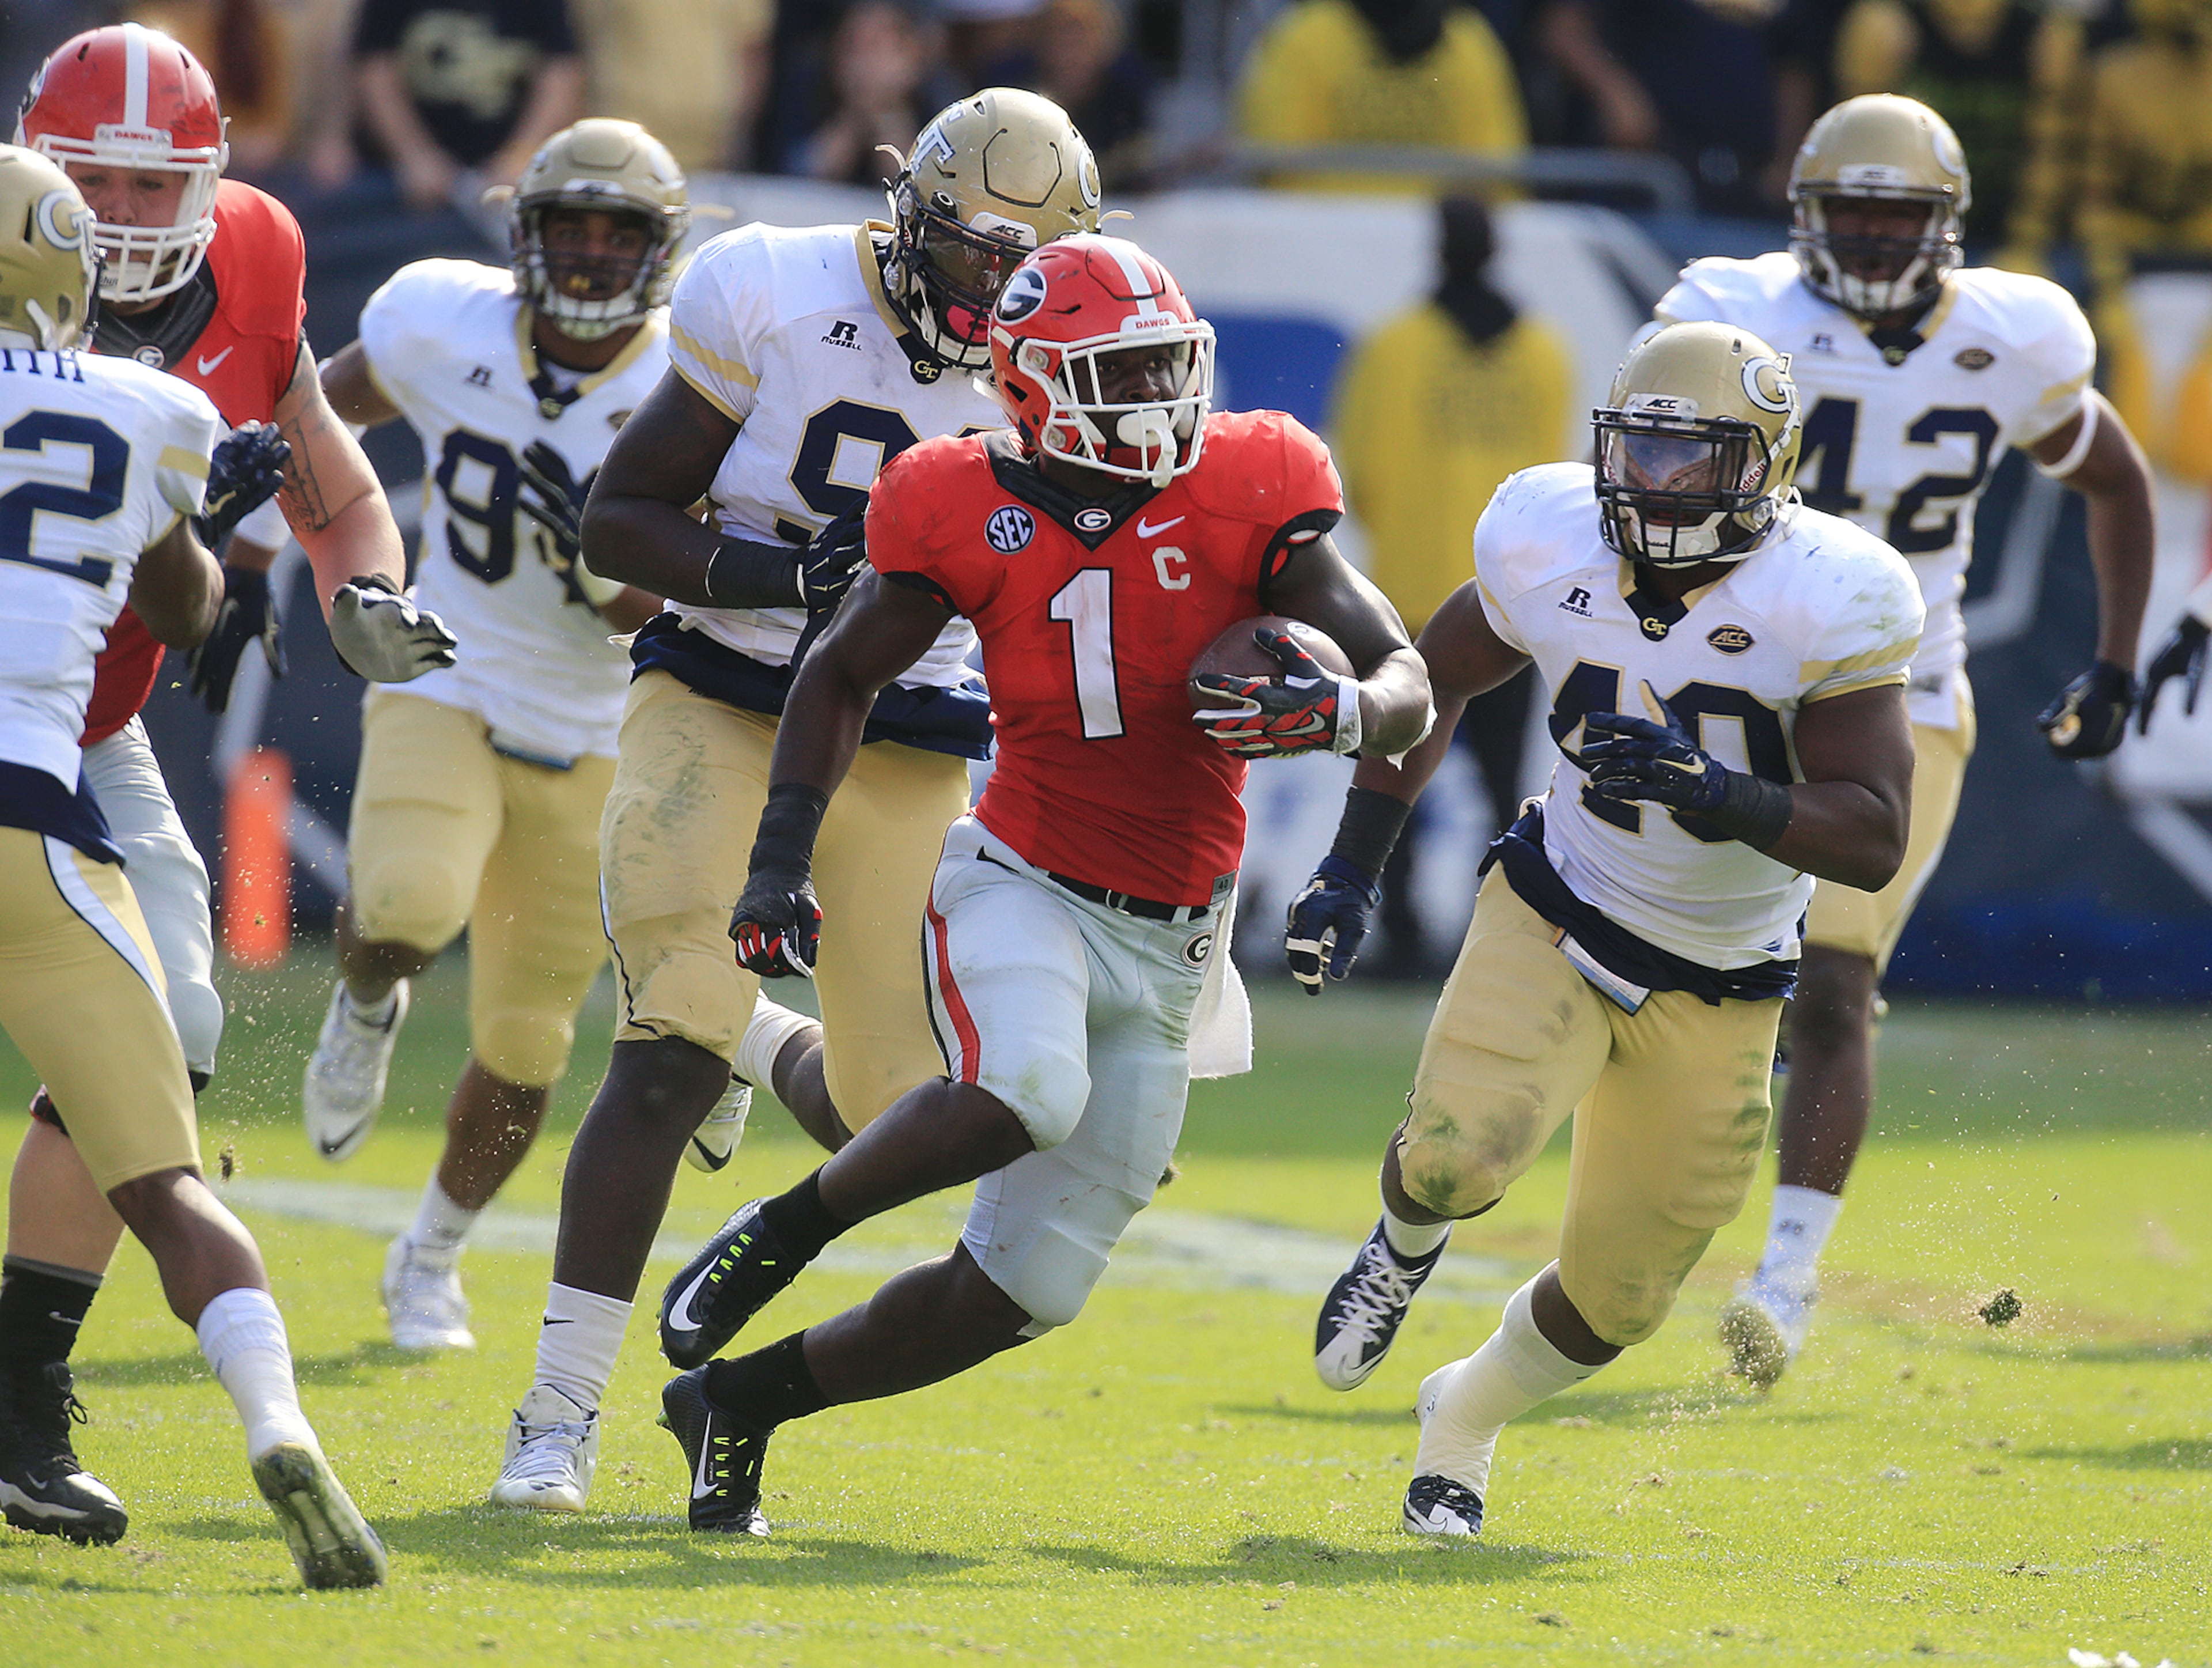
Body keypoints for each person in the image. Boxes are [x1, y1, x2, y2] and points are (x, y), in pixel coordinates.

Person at [652, 231, 1434, 1536]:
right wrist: (779, 860)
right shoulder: (950, 496)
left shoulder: (1253, 477)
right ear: (1028, 384)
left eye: (1166, 368)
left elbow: (1399, 665)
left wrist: (1353, 708)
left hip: (1179, 937)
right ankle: (776, 1233)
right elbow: (841, 672)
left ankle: (741, 1403)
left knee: (1023, 1292)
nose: (1158, 401)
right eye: (1121, 375)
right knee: (1024, 1084)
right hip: (1022, 876)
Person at [486, 88, 1102, 1515]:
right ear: (908, 214)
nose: (984, 297)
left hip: (905, 733)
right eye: (964, 257)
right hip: (720, 683)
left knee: (891, 1113)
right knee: (666, 1042)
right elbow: (621, 520)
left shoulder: (1059, 359)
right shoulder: (768, 284)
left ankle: (760, 1038)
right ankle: (556, 1413)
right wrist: (782, 577)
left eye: (1017, 273)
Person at [1296, 320, 1924, 1537]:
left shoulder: (1830, 591)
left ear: (1768, 467)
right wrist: (1349, 867)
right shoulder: (1547, 536)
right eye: (1640, 450)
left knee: (1621, 1298)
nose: (1659, 482)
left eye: (1697, 460)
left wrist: (1719, 792)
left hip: (1727, 976)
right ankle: (1401, 1242)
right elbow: (1433, 682)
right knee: (1452, 1156)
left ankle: (1463, 1413)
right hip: (1559, 903)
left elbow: (1873, 831)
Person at [0, 22, 453, 1548]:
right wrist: (214, 549)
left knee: (179, 1026)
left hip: (86, 722)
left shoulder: (253, 255)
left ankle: (16, 1397)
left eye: (156, 185)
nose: (127, 218)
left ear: (211, 186)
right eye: (96, 184)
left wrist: (362, 586)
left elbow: (321, 470)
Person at [1654, 92, 2153, 1386]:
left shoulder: (2013, 330)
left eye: (1902, 214)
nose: (1877, 238)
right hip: (1737, 676)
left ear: (1950, 227)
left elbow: (2115, 475)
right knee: (1678, 976)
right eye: (1855, 211)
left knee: (1831, 980)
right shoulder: (1740, 309)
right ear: (1807, 215)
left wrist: (2112, 657)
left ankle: (1787, 1278)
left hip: (1904, 691)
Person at [308, 118, 745, 1352]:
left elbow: (649, 592)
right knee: (400, 901)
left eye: (622, 233)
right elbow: (314, 423)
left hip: (604, 722)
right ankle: (366, 995)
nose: (597, 254)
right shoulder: (441, 319)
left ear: (662, 252)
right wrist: (258, 536)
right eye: (574, 227)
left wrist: (622, 563)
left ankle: (429, 1256)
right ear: (525, 234)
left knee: (526, 1041)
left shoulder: (692, 384)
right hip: (445, 667)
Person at [1327, 192, 1571, 974]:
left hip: (1409, 600)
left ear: (1437, 250)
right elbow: (1553, 486)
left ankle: (1393, 932)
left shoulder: (1393, 347)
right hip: (1509, 603)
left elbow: (1359, 477)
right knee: (1503, 785)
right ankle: (1502, 935)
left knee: (1398, 768)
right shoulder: (1544, 352)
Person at [1237, 0, 1527, 195]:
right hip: (1323, 239)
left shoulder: (1306, 31)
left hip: (1331, 240)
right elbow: (1273, 154)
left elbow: (1497, 168)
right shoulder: (1468, 39)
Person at [346, 0, 587, 211]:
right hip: (403, 183)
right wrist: (414, 156)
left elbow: (561, 71)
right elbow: (376, 68)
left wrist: (520, 155)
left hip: (507, 178)